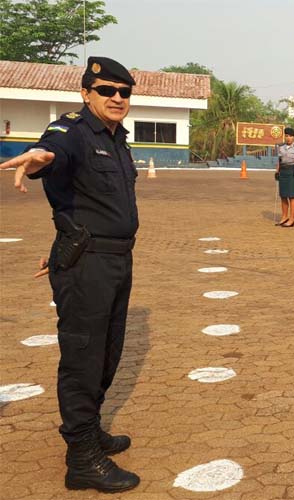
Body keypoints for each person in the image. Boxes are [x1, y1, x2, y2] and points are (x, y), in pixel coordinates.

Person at [0, 57, 141, 492]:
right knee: (83, 357)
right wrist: (39, 159)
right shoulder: (71, 132)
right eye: (107, 90)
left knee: (108, 353)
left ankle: (90, 427)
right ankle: (81, 457)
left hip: (114, 260)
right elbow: (51, 154)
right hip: (88, 266)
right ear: (85, 93)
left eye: (124, 92)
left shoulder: (118, 140)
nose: (117, 98)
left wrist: (62, 243)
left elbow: (80, 205)